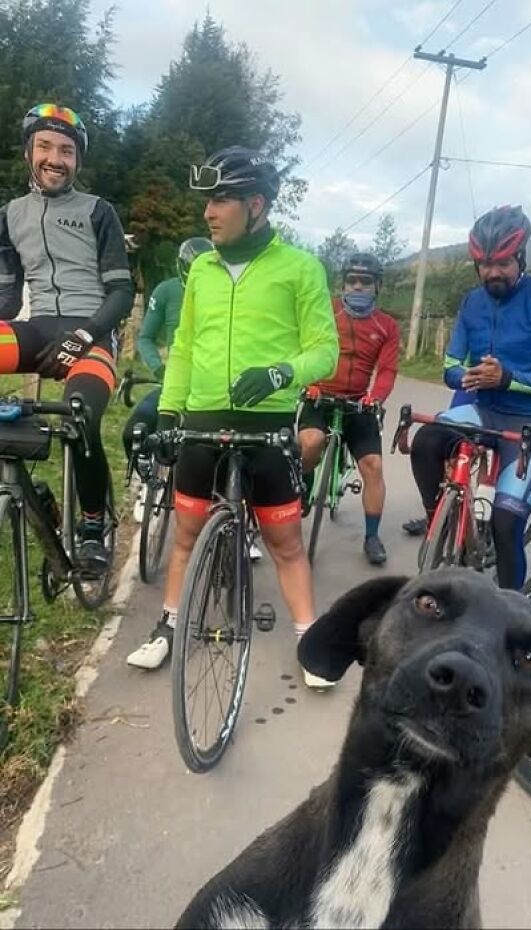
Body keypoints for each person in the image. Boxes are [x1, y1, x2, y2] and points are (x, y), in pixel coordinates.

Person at [126, 146, 339, 687]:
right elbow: (187, 344)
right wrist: (170, 411)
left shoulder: (301, 268)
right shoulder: (201, 268)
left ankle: (309, 637)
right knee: (185, 534)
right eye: (208, 200)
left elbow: (324, 351)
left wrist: (279, 372)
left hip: (265, 422)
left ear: (257, 204)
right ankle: (170, 626)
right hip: (200, 417)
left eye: (220, 199)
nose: (208, 212)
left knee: (285, 544)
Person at [407, 205, 531, 590]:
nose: (492, 272)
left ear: (520, 257)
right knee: (427, 441)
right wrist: (464, 375)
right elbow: (451, 364)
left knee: (506, 523)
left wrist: (508, 378)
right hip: (483, 411)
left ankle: (511, 614)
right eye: (483, 264)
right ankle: (439, 515)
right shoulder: (473, 302)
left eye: (501, 262)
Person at [0, 103, 133, 572]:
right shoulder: (10, 215)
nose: (55, 158)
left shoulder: (99, 211)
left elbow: (122, 292)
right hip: (37, 329)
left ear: (77, 160)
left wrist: (84, 336)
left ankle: (93, 524)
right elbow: (7, 301)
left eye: (66, 150)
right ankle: (30, 491)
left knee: (81, 417)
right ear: (28, 153)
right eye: (45, 146)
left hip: (92, 333)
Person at [298, 252, 400, 565]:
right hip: (320, 396)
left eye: (365, 282)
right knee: (311, 443)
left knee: (373, 466)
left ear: (377, 286)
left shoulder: (386, 326)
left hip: (359, 403)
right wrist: (309, 380)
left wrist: (376, 397)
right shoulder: (326, 312)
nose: (357, 287)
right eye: (352, 281)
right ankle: (304, 484)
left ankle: (371, 536)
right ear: (342, 284)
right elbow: (305, 346)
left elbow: (386, 370)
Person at [122, 236, 213, 463]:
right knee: (132, 433)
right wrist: (159, 368)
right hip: (173, 383)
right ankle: (144, 483)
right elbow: (146, 338)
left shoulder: (225, 295)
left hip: (209, 389)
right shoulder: (167, 291)